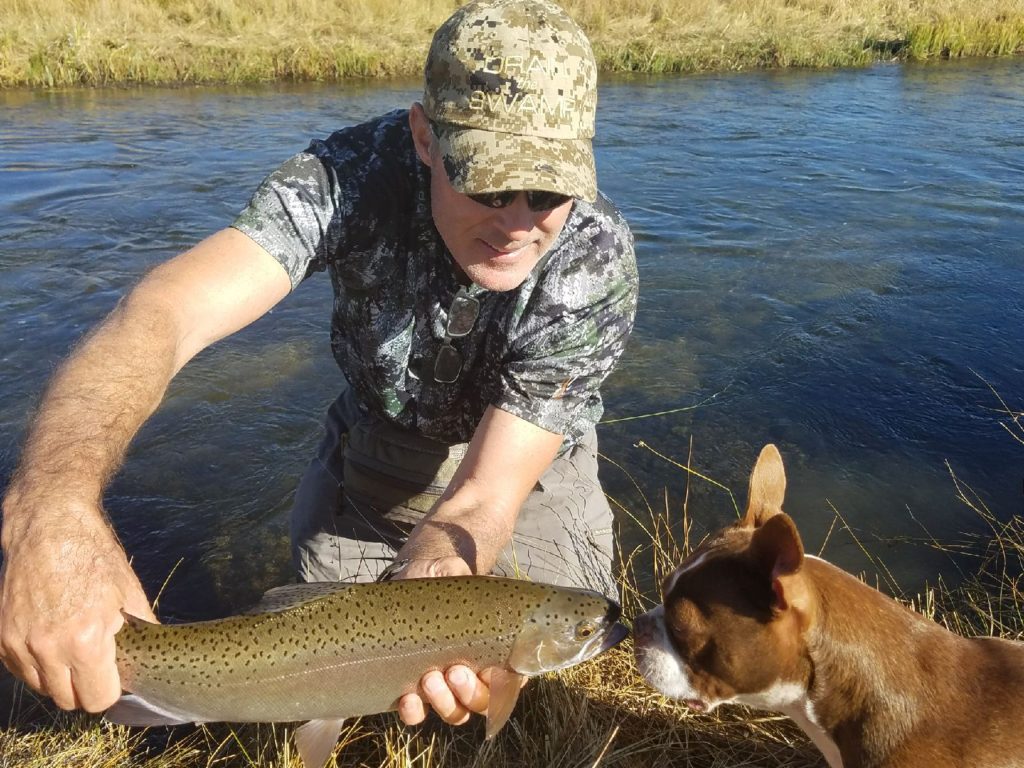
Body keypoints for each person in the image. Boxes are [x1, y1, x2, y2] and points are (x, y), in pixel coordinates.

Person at [0, 0, 637, 732]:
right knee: (307, 686)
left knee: (545, 699)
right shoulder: (345, 178)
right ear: (424, 137)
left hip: (533, 467)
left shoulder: (593, 252)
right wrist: (50, 512)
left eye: (549, 190)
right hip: (377, 444)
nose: (519, 223)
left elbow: (487, 496)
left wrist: (445, 562)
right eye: (490, 185)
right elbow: (163, 314)